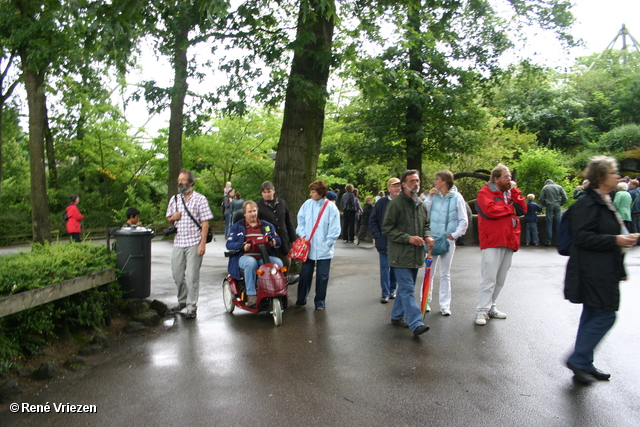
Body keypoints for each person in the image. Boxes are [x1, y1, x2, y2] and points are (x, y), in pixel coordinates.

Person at [564, 156, 638, 384]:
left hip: (602, 269)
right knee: (605, 315)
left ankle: (584, 363)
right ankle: (578, 359)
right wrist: (617, 239)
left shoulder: (604, 201)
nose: (618, 176)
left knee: (593, 314)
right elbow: (583, 237)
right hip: (592, 270)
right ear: (601, 177)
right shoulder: (588, 204)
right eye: (614, 172)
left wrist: (620, 266)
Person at [474, 163, 527, 326]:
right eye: (506, 177)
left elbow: (523, 209)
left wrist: (515, 191)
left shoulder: (510, 193)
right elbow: (490, 211)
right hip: (492, 240)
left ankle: (491, 306)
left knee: (500, 279)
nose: (509, 179)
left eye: (510, 176)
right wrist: (510, 208)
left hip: (509, 239)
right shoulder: (484, 192)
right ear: (496, 179)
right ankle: (481, 311)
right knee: (489, 278)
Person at [382, 170, 433, 337]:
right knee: (407, 289)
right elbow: (387, 229)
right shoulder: (396, 204)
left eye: (417, 181)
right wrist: (408, 238)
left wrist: (427, 236)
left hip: (416, 255)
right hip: (400, 255)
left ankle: (396, 316)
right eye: (411, 181)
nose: (416, 184)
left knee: (405, 288)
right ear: (403, 184)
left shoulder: (421, 204)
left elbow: (426, 224)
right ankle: (416, 323)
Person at [166, 169, 214, 319]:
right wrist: (174, 216)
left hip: (194, 242)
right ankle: (182, 302)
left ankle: (191, 307)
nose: (180, 182)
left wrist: (202, 243)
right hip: (179, 242)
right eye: (179, 180)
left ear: (191, 183)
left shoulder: (200, 199)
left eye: (183, 180)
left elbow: (205, 223)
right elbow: (169, 218)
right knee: (177, 275)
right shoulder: (174, 199)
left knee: (192, 276)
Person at [423, 170, 468, 316]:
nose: (434, 181)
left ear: (445, 181)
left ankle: (444, 305)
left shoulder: (457, 197)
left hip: (447, 240)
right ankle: (425, 302)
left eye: (437, 179)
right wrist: (429, 197)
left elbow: (463, 220)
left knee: (445, 273)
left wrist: (454, 235)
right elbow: (423, 213)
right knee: (429, 271)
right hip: (432, 239)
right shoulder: (432, 196)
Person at [227, 200, 283, 307]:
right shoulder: (237, 227)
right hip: (244, 257)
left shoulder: (267, 226)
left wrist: (273, 242)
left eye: (254, 211)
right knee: (251, 262)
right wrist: (242, 246)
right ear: (244, 214)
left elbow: (277, 239)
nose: (253, 214)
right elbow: (229, 244)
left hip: (263, 256)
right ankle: (251, 295)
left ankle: (278, 289)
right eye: (250, 212)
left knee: (278, 262)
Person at [295, 180, 341, 310]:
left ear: (321, 193)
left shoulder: (331, 208)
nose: (310, 194)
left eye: (313, 192)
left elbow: (335, 229)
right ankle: (301, 299)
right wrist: (303, 236)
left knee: (322, 276)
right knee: (305, 274)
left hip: (324, 248)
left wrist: (327, 243)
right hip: (308, 246)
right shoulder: (307, 205)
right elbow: (301, 222)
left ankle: (320, 301)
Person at [369, 177, 401, 303]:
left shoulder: (403, 202)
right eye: (394, 186)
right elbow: (372, 220)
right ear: (388, 189)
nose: (396, 188)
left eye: (398, 186)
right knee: (384, 267)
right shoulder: (382, 202)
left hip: (398, 241)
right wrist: (377, 235)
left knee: (395, 267)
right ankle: (385, 293)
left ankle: (392, 289)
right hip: (384, 240)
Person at [257, 181, 297, 272]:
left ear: (274, 191)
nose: (267, 194)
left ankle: (284, 280)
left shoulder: (282, 203)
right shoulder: (259, 206)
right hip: (268, 241)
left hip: (283, 239)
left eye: (269, 191)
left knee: (286, 263)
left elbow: (288, 221)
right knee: (271, 266)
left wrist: (292, 239)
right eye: (264, 192)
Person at [539, 179, 568, 246]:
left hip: (549, 205)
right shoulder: (559, 187)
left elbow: (541, 198)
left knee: (549, 223)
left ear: (546, 182)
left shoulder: (545, 187)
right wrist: (561, 203)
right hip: (557, 205)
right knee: (558, 223)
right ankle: (558, 241)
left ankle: (548, 241)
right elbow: (564, 197)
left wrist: (545, 204)